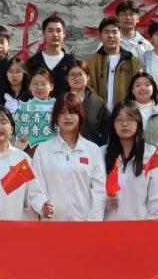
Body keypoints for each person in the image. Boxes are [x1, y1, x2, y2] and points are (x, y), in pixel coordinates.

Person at [31, 92, 107, 221]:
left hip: (85, 224)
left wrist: (94, 221)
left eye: (72, 112)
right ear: (55, 116)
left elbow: (99, 191)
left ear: (80, 115)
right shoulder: (43, 150)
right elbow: (36, 188)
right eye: (62, 112)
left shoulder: (92, 150)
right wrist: (42, 206)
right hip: (53, 225)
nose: (67, 117)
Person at [101, 101, 158, 221]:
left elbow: (157, 200)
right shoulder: (101, 153)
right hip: (108, 227)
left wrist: (153, 228)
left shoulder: (152, 154)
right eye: (119, 120)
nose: (124, 124)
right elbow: (91, 192)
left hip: (140, 227)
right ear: (113, 124)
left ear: (139, 122)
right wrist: (103, 203)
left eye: (130, 119)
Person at [85, 17, 143, 112]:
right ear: (100, 36)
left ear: (121, 35)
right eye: (106, 32)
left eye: (114, 32)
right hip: (98, 116)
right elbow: (86, 89)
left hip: (125, 115)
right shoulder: (89, 62)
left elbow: (139, 89)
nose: (110, 36)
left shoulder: (133, 63)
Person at [25, 14, 75, 95]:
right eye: (50, 31)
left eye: (58, 31)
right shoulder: (33, 62)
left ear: (64, 34)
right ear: (43, 33)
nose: (55, 34)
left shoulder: (71, 62)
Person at [64, 58, 109, 145]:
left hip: (91, 149)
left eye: (80, 74)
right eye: (72, 75)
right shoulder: (60, 101)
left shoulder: (97, 103)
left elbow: (106, 130)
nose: (76, 78)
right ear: (67, 78)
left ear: (87, 77)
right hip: (64, 149)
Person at [123, 71, 158, 145]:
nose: (143, 88)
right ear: (132, 90)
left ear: (153, 88)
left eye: (147, 85)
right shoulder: (124, 110)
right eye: (138, 85)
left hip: (156, 152)